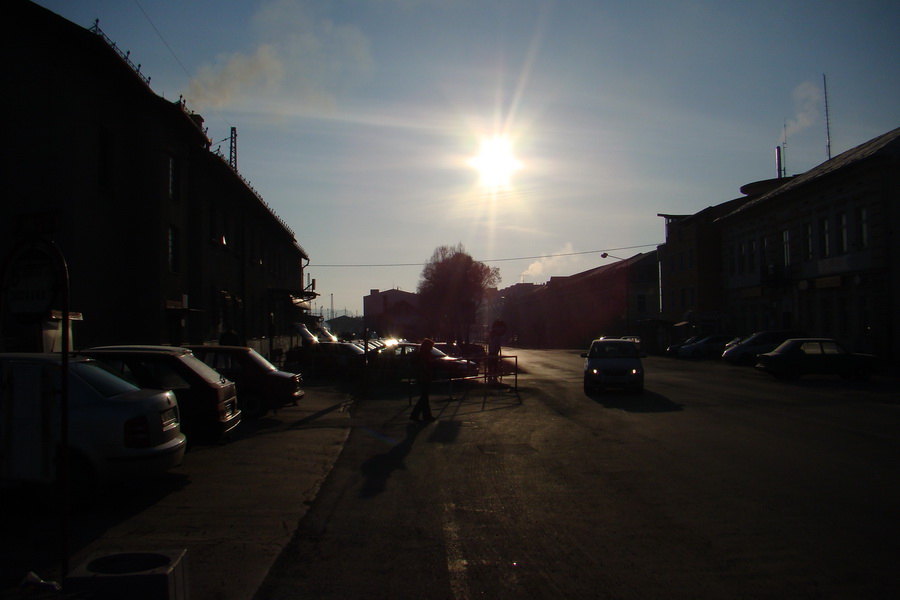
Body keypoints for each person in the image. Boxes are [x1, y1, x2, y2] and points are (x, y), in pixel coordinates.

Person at [410, 338, 436, 422]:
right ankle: (420, 415)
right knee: (424, 398)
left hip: (422, 378)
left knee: (424, 398)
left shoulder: (421, 354)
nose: (432, 348)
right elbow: (425, 366)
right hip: (424, 378)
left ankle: (421, 415)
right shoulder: (425, 355)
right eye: (431, 347)